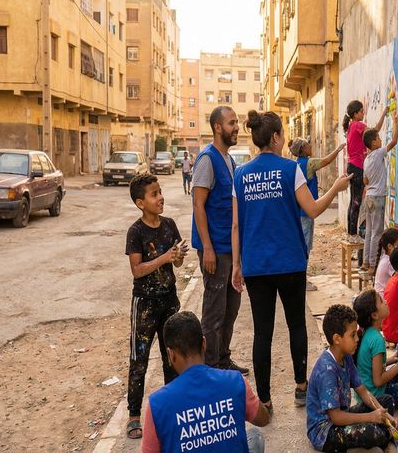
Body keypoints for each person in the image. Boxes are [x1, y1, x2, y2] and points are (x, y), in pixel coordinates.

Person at [232, 110, 353, 412]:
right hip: (290, 262)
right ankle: (301, 387)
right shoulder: (290, 169)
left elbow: (236, 225)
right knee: (296, 324)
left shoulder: (241, 174)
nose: (284, 139)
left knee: (263, 333)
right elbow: (312, 210)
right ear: (274, 137)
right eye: (283, 134)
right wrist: (336, 189)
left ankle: (265, 400)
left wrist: (237, 265)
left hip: (256, 265)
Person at [141, 311, 270, 453]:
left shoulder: (157, 404)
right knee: (254, 436)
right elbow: (263, 419)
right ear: (204, 343)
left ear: (171, 354)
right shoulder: (235, 382)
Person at [124, 173, 187, 439]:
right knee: (139, 359)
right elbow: (137, 270)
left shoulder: (170, 225)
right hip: (145, 305)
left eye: (160, 192)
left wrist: (178, 256)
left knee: (171, 357)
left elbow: (178, 263)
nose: (160, 198)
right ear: (141, 203)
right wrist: (165, 257)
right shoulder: (136, 232)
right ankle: (134, 416)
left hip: (169, 300)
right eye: (154, 194)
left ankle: (170, 410)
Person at [306, 304, 398, 452]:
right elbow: (336, 417)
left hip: (341, 418)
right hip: (326, 431)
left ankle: (384, 429)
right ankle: (385, 432)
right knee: (372, 432)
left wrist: (384, 413)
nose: (357, 338)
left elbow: (363, 391)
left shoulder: (346, 356)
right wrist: (370, 416)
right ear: (337, 339)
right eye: (352, 335)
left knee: (386, 401)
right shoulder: (327, 370)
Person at [191, 105, 248, 374]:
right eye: (231, 123)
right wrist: (208, 249)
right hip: (215, 250)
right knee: (213, 314)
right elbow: (198, 206)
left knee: (230, 310)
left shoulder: (229, 160)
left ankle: (223, 359)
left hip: (230, 250)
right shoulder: (207, 159)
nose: (236, 127)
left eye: (236, 122)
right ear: (217, 127)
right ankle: (210, 367)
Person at [342, 100, 390, 243]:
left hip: (352, 165)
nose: (363, 113)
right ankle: (353, 235)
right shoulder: (357, 125)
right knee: (356, 200)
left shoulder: (351, 126)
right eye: (362, 111)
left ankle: (351, 233)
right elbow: (374, 131)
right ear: (355, 114)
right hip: (357, 166)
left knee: (353, 200)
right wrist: (384, 113)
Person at [288, 138, 346, 252]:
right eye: (307, 144)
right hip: (307, 209)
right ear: (303, 149)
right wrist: (338, 149)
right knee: (305, 243)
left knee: (302, 241)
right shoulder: (309, 163)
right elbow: (326, 161)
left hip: (299, 209)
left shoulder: (296, 164)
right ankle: (302, 267)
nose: (310, 146)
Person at [361, 113, 398, 273]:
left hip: (369, 197)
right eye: (378, 138)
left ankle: (365, 262)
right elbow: (394, 142)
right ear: (373, 143)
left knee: (370, 231)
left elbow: (365, 181)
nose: (380, 139)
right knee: (377, 233)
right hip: (377, 197)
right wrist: (396, 123)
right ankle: (372, 265)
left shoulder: (367, 159)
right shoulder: (378, 153)